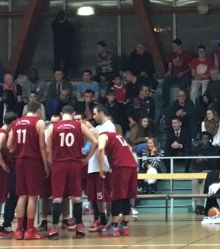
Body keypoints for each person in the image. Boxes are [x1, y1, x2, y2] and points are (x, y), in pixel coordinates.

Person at [91, 104, 138, 237]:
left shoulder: (103, 135)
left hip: (120, 166)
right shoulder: (118, 136)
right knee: (127, 197)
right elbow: (129, 148)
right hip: (132, 165)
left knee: (117, 196)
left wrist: (101, 168)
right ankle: (124, 226)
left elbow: (100, 149)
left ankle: (115, 227)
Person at [9, 97, 49, 240]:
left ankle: (19, 229)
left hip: (19, 161)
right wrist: (46, 165)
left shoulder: (16, 123)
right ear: (38, 110)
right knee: (33, 196)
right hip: (33, 161)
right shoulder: (39, 122)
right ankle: (30, 230)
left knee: (22, 195)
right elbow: (42, 146)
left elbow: (9, 145)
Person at [48, 105, 86, 239]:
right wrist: (86, 159)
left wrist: (49, 163)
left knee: (57, 197)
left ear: (61, 113)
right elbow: (94, 141)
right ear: (73, 113)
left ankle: (53, 229)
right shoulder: (79, 125)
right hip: (75, 163)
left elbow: (47, 148)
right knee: (76, 197)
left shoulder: (53, 126)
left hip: (59, 163)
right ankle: (80, 227)